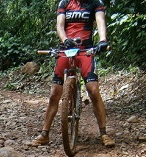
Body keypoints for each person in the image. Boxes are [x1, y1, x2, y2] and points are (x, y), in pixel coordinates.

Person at [31, 0, 115, 148]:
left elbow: (100, 21)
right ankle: (45, 134)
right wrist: (65, 40)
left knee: (94, 91)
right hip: (65, 50)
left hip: (86, 51)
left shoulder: (95, 2)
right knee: (54, 94)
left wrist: (103, 40)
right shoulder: (64, 2)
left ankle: (104, 133)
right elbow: (60, 25)